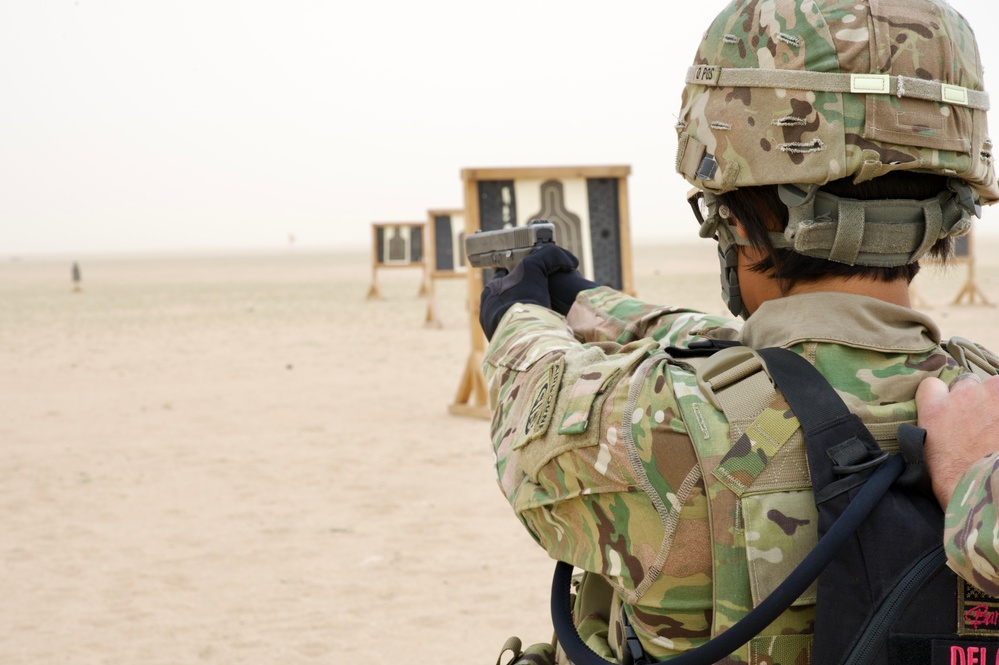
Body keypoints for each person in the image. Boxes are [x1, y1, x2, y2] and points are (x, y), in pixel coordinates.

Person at [478, 1, 999, 664]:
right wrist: (592, 307)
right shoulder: (981, 404)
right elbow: (759, 360)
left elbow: (529, 424)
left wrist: (515, 316)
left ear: (740, 224)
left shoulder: (659, 423)